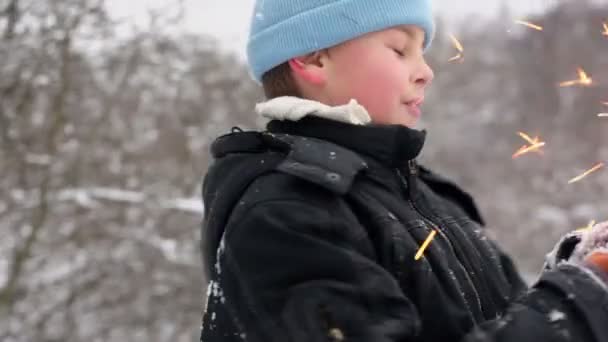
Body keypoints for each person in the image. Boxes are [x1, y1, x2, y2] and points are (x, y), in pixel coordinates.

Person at [199, 0, 608, 341]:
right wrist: (574, 304)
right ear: (313, 59)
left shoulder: (428, 198)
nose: (425, 71)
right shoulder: (285, 214)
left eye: (422, 52)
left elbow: (494, 325)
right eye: (399, 50)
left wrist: (572, 272)